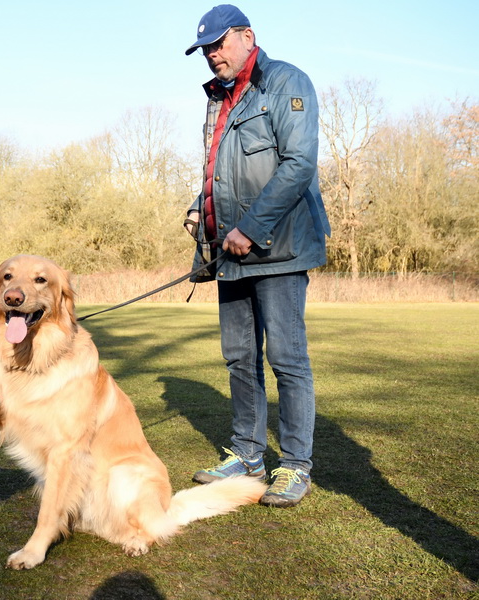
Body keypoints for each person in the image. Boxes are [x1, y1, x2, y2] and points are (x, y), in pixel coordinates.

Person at [182, 5, 331, 508]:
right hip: (231, 253)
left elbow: (298, 163)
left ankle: (294, 466)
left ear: (248, 36)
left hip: (281, 247)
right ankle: (247, 455)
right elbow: (218, 176)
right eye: (205, 49)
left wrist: (251, 226)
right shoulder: (218, 99)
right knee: (239, 357)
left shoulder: (287, 82)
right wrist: (204, 218)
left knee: (287, 359)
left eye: (219, 44)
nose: (211, 55)